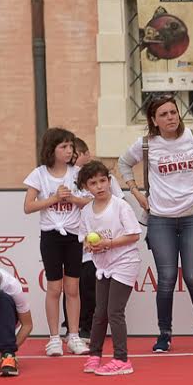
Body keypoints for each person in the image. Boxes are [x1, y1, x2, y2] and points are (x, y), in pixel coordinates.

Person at [117, 94, 193, 352]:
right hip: (160, 219)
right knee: (166, 278)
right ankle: (164, 334)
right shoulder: (146, 144)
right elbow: (123, 163)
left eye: (173, 112)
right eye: (163, 114)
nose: (170, 117)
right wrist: (136, 193)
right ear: (154, 120)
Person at [24, 127, 89, 357]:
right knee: (54, 287)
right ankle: (53, 338)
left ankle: (74, 336)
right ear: (52, 150)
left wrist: (72, 198)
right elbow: (28, 206)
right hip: (51, 236)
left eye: (71, 146)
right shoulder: (39, 174)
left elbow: (89, 202)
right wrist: (53, 198)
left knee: (72, 288)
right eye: (64, 146)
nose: (69, 150)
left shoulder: (77, 173)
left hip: (73, 236)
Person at [78, 161, 142, 376]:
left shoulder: (120, 206)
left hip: (125, 262)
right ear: (86, 187)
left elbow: (134, 235)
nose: (99, 186)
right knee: (99, 313)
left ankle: (122, 360)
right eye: (93, 183)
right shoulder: (86, 211)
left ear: (109, 181)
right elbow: (84, 238)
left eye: (103, 180)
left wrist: (108, 243)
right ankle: (94, 356)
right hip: (102, 265)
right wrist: (90, 245)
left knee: (114, 311)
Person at [72, 137, 123, 341]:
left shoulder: (110, 183)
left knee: (104, 291)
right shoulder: (70, 179)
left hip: (111, 245)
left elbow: (120, 204)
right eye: (93, 183)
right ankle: (82, 328)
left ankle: (98, 328)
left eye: (75, 154)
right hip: (86, 247)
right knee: (84, 286)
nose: (99, 186)